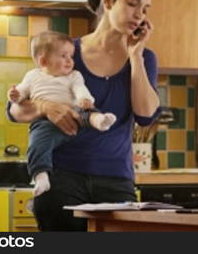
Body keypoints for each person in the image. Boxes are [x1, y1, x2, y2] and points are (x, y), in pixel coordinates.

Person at [6, 0, 160, 231]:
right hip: (61, 177)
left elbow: (145, 114)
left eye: (145, 9)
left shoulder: (145, 58)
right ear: (108, 1)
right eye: (132, 3)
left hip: (115, 180)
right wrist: (44, 106)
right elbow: (15, 110)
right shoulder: (66, 51)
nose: (139, 15)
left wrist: (135, 56)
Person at [7, 30, 117, 197]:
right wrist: (15, 95)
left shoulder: (74, 75)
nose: (70, 61)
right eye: (63, 56)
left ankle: (100, 121)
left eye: (71, 56)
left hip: (74, 113)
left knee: (87, 111)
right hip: (46, 122)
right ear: (43, 61)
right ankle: (40, 175)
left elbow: (80, 89)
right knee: (37, 142)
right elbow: (20, 94)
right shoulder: (32, 76)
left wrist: (84, 99)